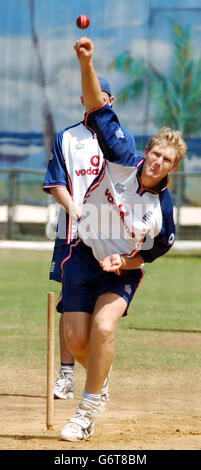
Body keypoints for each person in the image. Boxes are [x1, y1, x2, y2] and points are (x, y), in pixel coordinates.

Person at [58, 37, 187, 442]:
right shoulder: (120, 156)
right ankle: (101, 377)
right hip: (83, 255)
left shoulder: (162, 214)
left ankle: (87, 410)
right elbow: (97, 104)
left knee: (103, 326)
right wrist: (87, 61)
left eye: (167, 159)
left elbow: (149, 255)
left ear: (173, 168)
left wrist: (124, 264)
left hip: (120, 273)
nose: (157, 161)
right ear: (146, 151)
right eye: (155, 153)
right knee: (78, 342)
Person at [43, 76, 115, 399]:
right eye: (86, 94)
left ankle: (99, 371)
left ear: (109, 102)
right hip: (71, 231)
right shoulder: (67, 138)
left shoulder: (118, 139)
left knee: (102, 307)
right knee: (67, 302)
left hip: (110, 236)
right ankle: (67, 376)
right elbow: (56, 180)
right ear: (82, 100)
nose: (92, 99)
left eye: (98, 96)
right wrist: (73, 208)